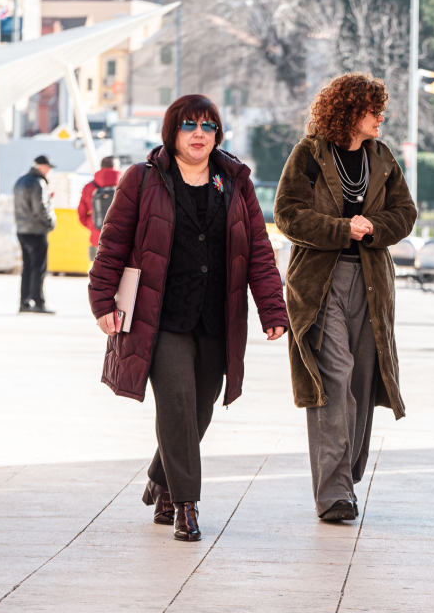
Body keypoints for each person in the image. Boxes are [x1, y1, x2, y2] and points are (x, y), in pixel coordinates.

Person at [88, 95, 288, 542]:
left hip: (218, 317)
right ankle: (185, 506)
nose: (199, 133)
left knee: (199, 411)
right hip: (162, 319)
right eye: (188, 125)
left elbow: (258, 249)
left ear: (218, 134)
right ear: (171, 132)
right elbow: (113, 243)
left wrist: (272, 308)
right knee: (176, 405)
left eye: (208, 125)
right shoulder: (142, 180)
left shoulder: (235, 182)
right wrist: (103, 301)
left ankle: (162, 477)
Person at [275, 73, 417, 522]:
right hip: (320, 284)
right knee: (334, 378)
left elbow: (405, 212)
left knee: (360, 382)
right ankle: (334, 492)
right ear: (350, 111)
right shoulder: (309, 153)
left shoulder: (382, 157)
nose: (381, 117)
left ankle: (346, 478)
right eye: (374, 109)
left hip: (372, 283)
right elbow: (287, 214)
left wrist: (375, 227)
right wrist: (342, 229)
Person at [13, 155, 57, 314]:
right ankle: (38, 303)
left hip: (22, 230)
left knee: (27, 268)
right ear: (41, 167)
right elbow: (40, 209)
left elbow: (25, 206)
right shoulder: (38, 182)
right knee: (39, 268)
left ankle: (24, 303)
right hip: (36, 231)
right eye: (48, 168)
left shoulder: (20, 181)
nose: (49, 171)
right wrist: (50, 222)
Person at [77, 156, 121, 261]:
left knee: (97, 274)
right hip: (121, 240)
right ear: (116, 167)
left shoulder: (89, 187)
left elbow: (81, 214)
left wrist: (92, 225)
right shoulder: (128, 185)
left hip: (97, 238)